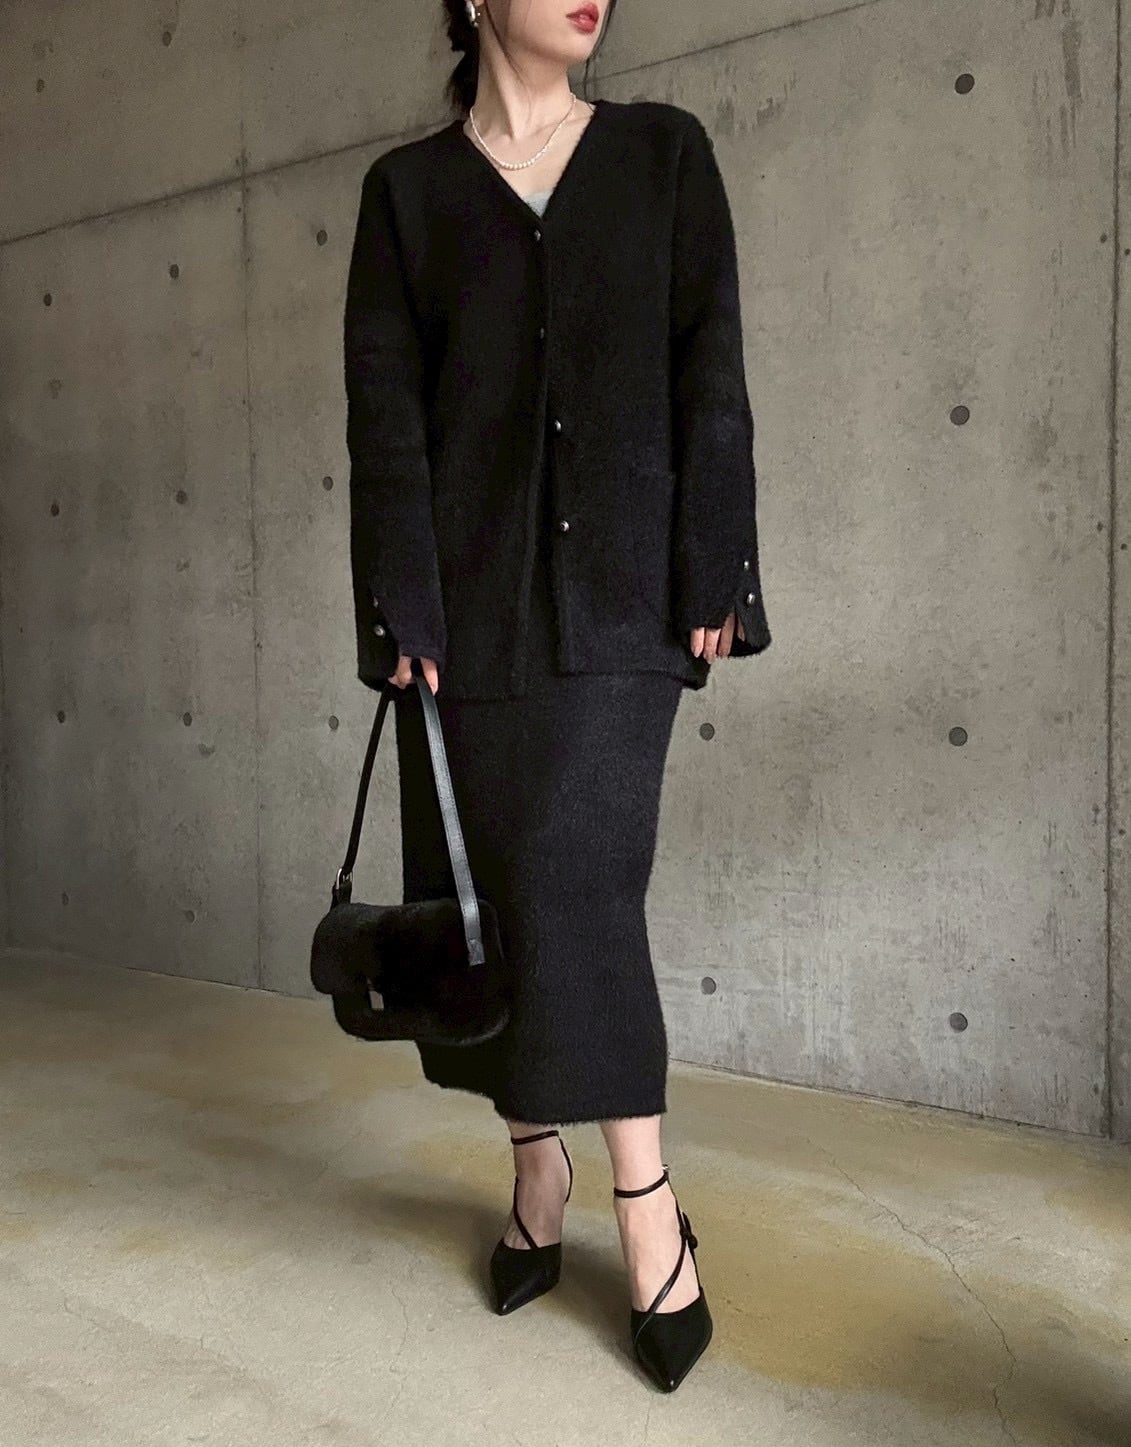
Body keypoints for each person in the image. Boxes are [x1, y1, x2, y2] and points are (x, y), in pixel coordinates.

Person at [342, 0, 772, 1392]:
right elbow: (385, 414)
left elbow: (711, 368)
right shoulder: (407, 193)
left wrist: (717, 563)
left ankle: (648, 1208)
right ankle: (538, 1170)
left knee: (583, 887)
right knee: (491, 903)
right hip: (466, 618)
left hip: (626, 596)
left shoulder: (661, 154)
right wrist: (400, 608)